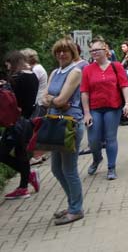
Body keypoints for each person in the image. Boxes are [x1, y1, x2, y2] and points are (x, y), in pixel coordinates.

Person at [41, 36, 84, 225]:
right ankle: (73, 204)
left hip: (69, 124)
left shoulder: (75, 72)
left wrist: (53, 100)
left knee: (69, 169)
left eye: (65, 50)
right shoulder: (54, 72)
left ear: (72, 52)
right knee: (56, 169)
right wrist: (54, 100)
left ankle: (76, 209)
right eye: (58, 51)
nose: (61, 54)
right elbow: (45, 99)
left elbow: (58, 100)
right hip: (54, 121)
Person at [81, 38, 128, 180]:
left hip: (113, 107)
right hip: (94, 108)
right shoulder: (87, 69)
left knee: (110, 137)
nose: (94, 52)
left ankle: (111, 167)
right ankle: (97, 159)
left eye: (97, 50)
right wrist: (86, 113)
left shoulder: (116, 66)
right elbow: (84, 92)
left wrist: (127, 103)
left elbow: (124, 85)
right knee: (93, 139)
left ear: (105, 50)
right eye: (92, 51)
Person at [0, 51, 39, 199]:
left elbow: (9, 100)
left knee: (3, 154)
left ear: (13, 62)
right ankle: (24, 185)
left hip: (15, 121)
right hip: (27, 119)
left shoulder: (17, 78)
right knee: (21, 152)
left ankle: (26, 180)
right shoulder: (32, 75)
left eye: (8, 63)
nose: (7, 67)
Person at [20, 48, 48, 166]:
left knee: (35, 129)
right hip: (40, 101)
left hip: (39, 102)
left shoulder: (35, 70)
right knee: (38, 128)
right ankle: (40, 153)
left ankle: (37, 155)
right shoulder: (38, 68)